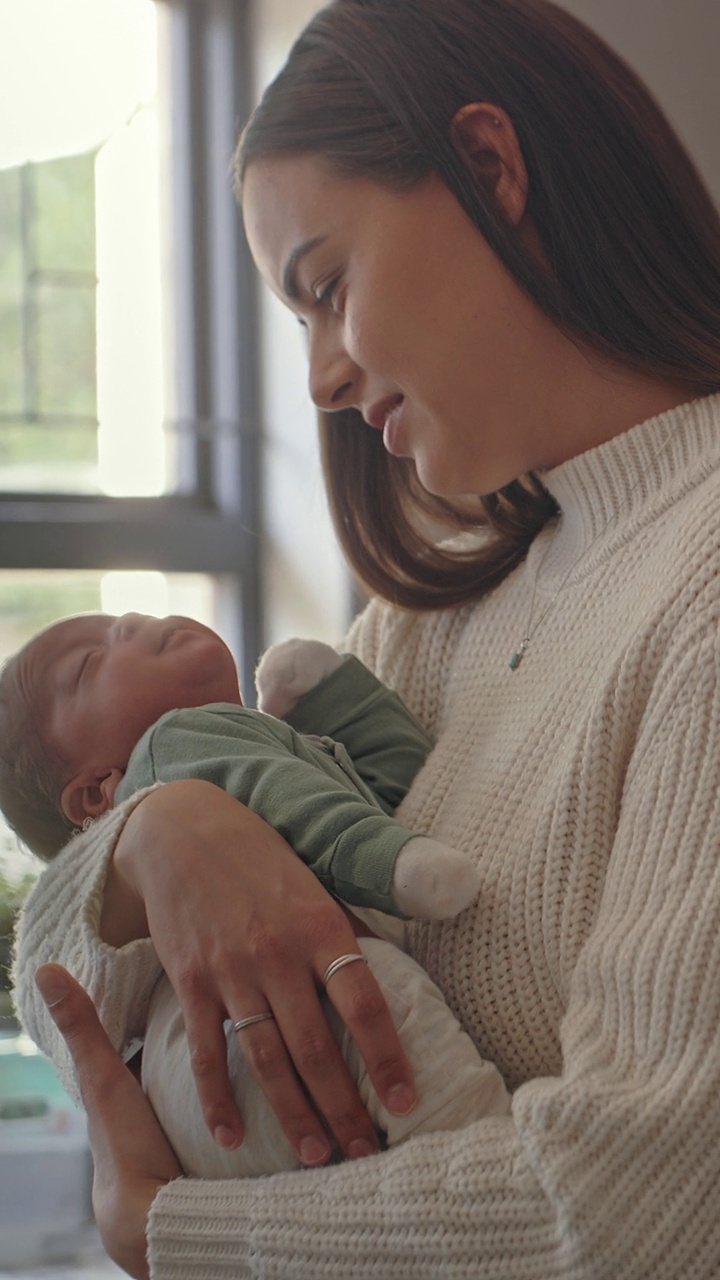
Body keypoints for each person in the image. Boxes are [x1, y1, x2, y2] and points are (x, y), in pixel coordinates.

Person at [13, 0, 720, 1275]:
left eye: (326, 288)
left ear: (492, 171)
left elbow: (644, 1211)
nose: (320, 380)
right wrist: (152, 834)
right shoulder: (418, 629)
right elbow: (52, 968)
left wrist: (170, 1230)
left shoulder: (700, 581)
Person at [0, 614, 504, 1178]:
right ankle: (488, 1165)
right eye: (90, 663)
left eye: (121, 619)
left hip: (218, 1087)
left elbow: (393, 794)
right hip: (228, 1039)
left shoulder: (258, 752)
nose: (132, 625)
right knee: (381, 993)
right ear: (99, 791)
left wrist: (332, 696)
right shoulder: (170, 746)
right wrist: (393, 862)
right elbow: (324, 817)